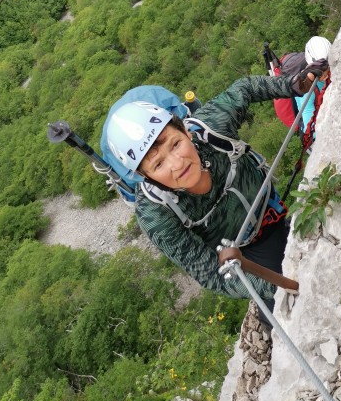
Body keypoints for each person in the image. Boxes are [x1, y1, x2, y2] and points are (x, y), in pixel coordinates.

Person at [103, 67, 327, 308]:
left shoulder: (210, 128)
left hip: (269, 203)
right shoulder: (156, 214)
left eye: (175, 144)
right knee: (287, 309)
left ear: (186, 131)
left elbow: (245, 89)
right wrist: (274, 287)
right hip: (247, 249)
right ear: (143, 176)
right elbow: (210, 273)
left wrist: (292, 86)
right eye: (158, 164)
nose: (178, 164)